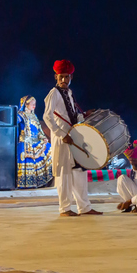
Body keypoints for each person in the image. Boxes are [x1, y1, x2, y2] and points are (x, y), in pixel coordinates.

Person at [42, 59, 103, 217]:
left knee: (80, 172)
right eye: (61, 76)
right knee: (64, 174)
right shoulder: (53, 93)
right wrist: (62, 135)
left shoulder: (69, 93)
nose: (63, 80)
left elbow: (72, 116)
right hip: (62, 139)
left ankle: (84, 207)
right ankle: (65, 208)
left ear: (71, 78)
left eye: (66, 77)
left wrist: (84, 115)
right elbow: (47, 117)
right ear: (56, 77)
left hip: (74, 138)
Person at [16, 95, 53, 188]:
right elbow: (13, 121)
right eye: (32, 104)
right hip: (25, 142)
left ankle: (38, 182)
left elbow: (39, 130)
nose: (34, 106)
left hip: (36, 142)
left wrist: (43, 137)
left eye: (35, 104)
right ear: (26, 104)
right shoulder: (21, 115)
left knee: (50, 148)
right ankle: (25, 184)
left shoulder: (34, 116)